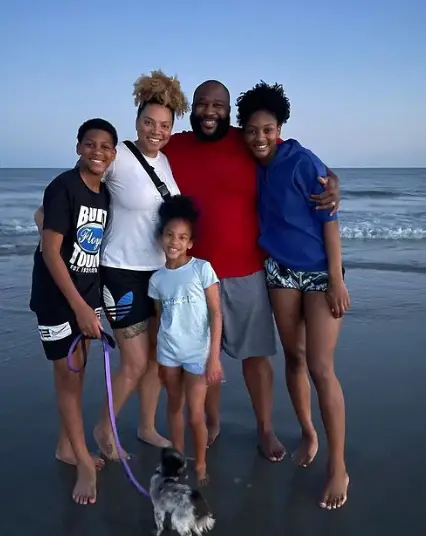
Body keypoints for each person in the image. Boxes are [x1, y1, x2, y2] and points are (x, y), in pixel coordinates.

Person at [161, 80, 341, 462]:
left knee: (255, 356)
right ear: (191, 108)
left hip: (246, 270)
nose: (210, 111)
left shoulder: (246, 143)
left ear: (229, 112)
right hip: (194, 273)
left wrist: (334, 183)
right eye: (203, 104)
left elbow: (304, 166)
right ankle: (212, 422)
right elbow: (126, 159)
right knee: (200, 357)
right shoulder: (174, 145)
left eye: (218, 105)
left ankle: (264, 427)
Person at [34, 71, 189, 459]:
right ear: (136, 122)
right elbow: (55, 206)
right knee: (134, 363)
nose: (156, 130)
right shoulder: (118, 158)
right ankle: (105, 429)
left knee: (155, 356)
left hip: (158, 273)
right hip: (119, 272)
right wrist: (56, 242)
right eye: (149, 122)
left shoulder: (166, 162)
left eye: (164, 125)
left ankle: (147, 426)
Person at [236, 80, 350, 510]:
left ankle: (337, 465)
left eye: (266, 129)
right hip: (279, 272)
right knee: (294, 357)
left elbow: (330, 218)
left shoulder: (302, 161)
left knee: (321, 367)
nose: (258, 137)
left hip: (320, 273)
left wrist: (337, 278)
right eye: (250, 129)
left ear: (279, 127)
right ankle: (308, 431)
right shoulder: (251, 161)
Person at [29, 118, 118, 505]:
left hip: (87, 297)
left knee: (78, 371)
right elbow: (51, 252)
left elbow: (91, 251)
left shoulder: (105, 195)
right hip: (56, 299)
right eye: (90, 144)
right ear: (78, 147)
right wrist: (79, 307)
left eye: (105, 147)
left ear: (113, 155)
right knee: (67, 377)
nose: (98, 152)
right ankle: (81, 461)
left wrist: (95, 304)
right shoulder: (63, 186)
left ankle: (67, 446)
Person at [148, 195, 223, 485]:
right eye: (169, 235)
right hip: (168, 354)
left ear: (191, 242)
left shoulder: (202, 269)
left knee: (195, 415)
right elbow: (159, 318)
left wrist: (214, 357)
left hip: (197, 355)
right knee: (174, 408)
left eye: (182, 237)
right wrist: (157, 353)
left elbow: (216, 314)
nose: (174, 242)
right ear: (161, 238)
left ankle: (201, 464)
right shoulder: (156, 279)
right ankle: (177, 459)